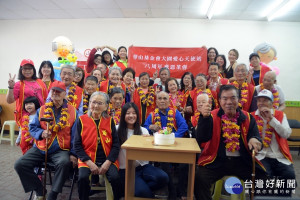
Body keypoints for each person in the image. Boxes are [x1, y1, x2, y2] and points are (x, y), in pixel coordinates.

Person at [194, 84, 266, 200]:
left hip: (242, 162)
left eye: (233, 98)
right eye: (225, 98)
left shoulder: (247, 117)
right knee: (199, 178)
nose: (229, 102)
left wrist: (255, 140)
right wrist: (204, 118)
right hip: (216, 161)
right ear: (219, 100)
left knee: (263, 179)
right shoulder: (211, 116)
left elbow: (256, 137)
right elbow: (201, 138)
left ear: (238, 99)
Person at [14, 81, 78, 200]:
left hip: (61, 149)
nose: (55, 93)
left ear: (65, 94)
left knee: (64, 163)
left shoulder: (73, 111)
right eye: (53, 91)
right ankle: (40, 190)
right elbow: (32, 127)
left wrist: (73, 154)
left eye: (58, 91)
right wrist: (41, 133)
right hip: (41, 147)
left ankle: (53, 194)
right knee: (20, 164)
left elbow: (76, 135)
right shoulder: (42, 109)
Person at [74, 91, 121, 200]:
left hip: (107, 158)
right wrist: (89, 163)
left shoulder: (109, 121)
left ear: (105, 106)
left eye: (100, 103)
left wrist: (108, 162)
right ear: (89, 103)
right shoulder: (81, 120)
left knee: (115, 178)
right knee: (82, 178)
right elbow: (77, 145)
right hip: (87, 158)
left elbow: (115, 144)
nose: (95, 105)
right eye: (93, 102)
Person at [117, 102, 169, 198]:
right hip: (126, 170)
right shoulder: (117, 130)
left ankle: (135, 190)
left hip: (143, 167)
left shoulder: (143, 131)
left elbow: (151, 153)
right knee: (142, 192)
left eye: (134, 113)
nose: (131, 116)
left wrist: (149, 141)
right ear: (123, 115)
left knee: (163, 178)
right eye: (128, 113)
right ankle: (140, 191)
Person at [251, 89, 295, 194]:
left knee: (289, 176)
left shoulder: (280, 115)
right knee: (262, 177)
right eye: (259, 100)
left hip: (279, 156)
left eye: (265, 100)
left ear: (271, 103)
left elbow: (286, 134)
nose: (261, 103)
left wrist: (272, 119)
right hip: (261, 155)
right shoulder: (252, 116)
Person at [7, 59, 48, 126]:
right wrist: (11, 87)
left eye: (30, 68)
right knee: (25, 136)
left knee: (39, 136)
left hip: (40, 116)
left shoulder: (40, 82)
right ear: (21, 70)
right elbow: (9, 101)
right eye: (25, 69)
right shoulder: (18, 84)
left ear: (33, 70)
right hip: (25, 118)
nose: (27, 71)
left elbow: (46, 99)